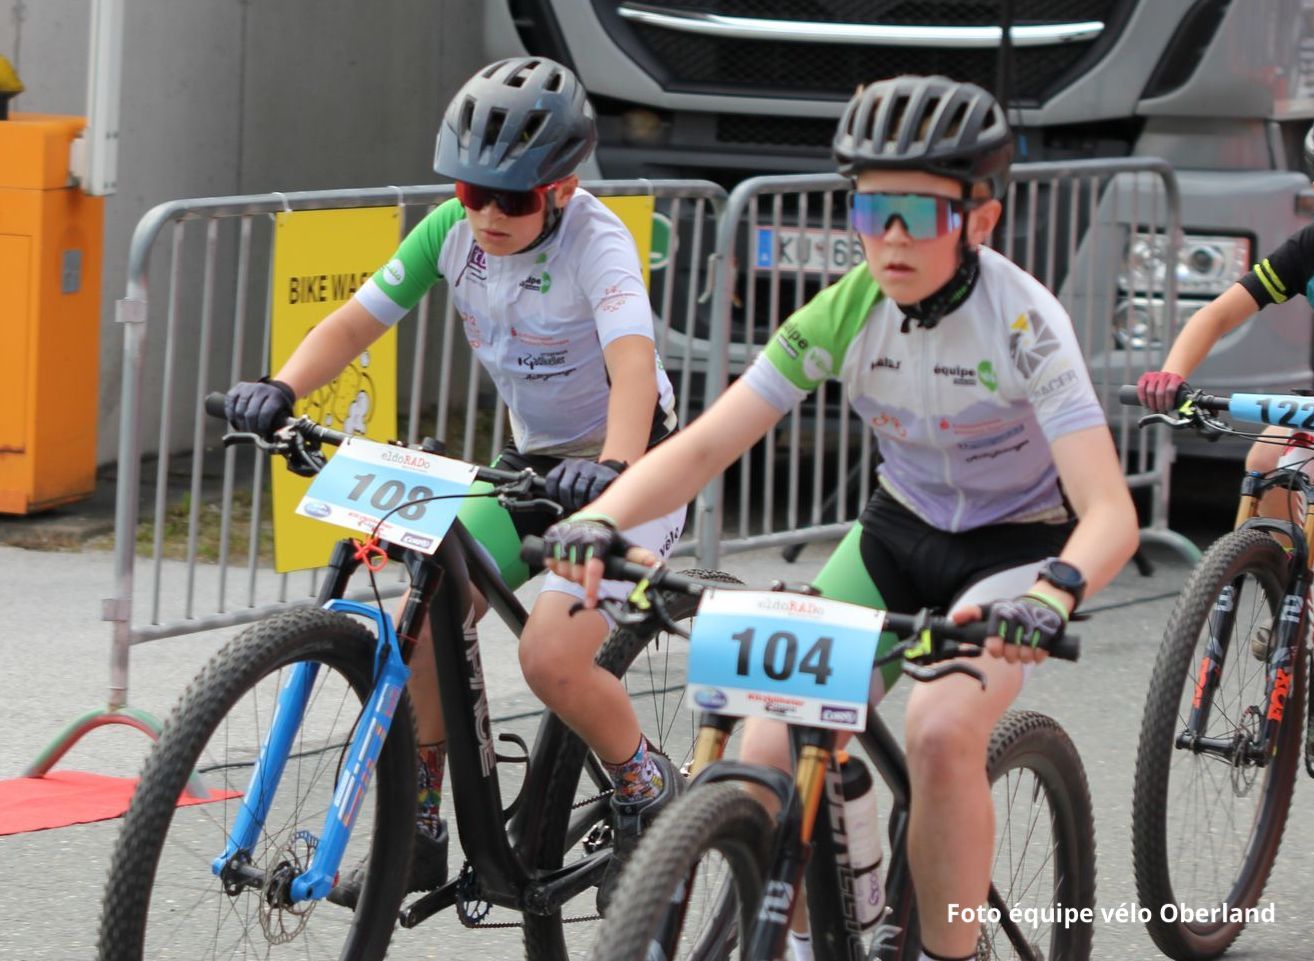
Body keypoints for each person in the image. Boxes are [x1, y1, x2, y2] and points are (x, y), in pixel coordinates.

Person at [541, 75, 1139, 961]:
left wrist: (1053, 595)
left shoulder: (1024, 323)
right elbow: (707, 445)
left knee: (940, 733)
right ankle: (833, 928)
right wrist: (605, 516)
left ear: (980, 220)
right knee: (770, 740)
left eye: (919, 213)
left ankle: (950, 951)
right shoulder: (848, 303)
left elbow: (1110, 514)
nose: (890, 237)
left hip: (1016, 555)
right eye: (870, 208)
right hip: (897, 535)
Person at [223, 56, 685, 910]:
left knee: (550, 655)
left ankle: (644, 783)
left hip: (633, 468)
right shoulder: (450, 232)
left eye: (513, 198)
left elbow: (631, 362)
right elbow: (358, 319)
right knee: (431, 606)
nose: (489, 213)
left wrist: (616, 470)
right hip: (532, 467)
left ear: (563, 187)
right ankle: (423, 824)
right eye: (474, 192)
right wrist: (282, 387)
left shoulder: (598, 240)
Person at [1138, 120, 1314, 522]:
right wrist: (1171, 375)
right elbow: (1216, 315)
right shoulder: (1308, 247)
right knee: (1266, 460)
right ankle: (1270, 573)